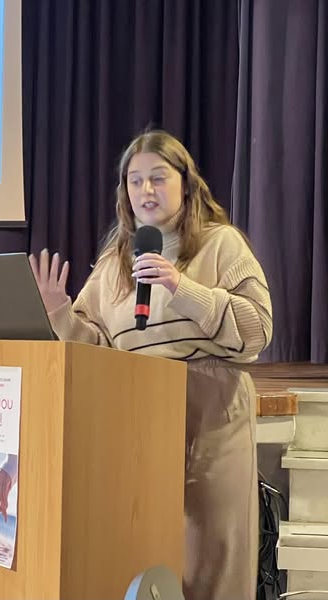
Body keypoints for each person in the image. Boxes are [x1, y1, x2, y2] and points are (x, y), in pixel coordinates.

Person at [29, 130, 272, 600]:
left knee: (211, 551)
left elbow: (257, 329)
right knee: (142, 548)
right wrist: (59, 312)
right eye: (135, 180)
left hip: (210, 411)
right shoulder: (115, 261)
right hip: (136, 414)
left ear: (186, 183)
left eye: (158, 178)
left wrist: (181, 286)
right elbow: (96, 347)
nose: (146, 190)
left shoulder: (221, 245)